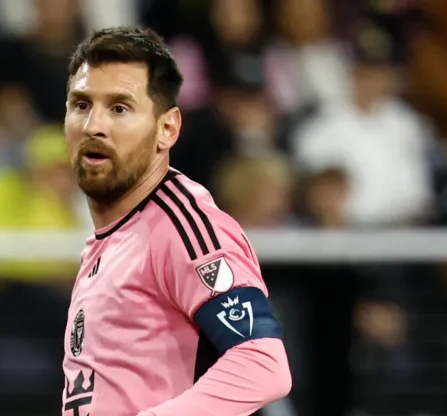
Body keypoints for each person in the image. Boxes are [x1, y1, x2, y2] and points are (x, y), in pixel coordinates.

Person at [61, 27, 291, 416]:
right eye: (82, 105)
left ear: (167, 129)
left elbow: (262, 363)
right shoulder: (109, 239)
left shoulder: (181, 225)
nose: (93, 126)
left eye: (119, 108)